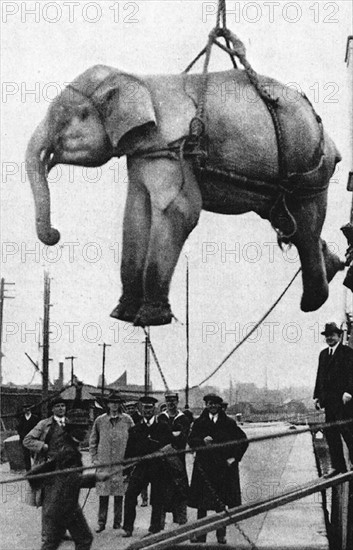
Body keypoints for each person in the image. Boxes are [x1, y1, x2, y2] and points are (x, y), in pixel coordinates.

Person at [27, 408, 109, 550]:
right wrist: (96, 477)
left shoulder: (65, 444)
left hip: (56, 503)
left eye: (85, 428)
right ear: (71, 430)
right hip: (64, 505)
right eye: (80, 428)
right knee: (83, 539)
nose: (84, 432)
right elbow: (71, 480)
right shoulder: (70, 452)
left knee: (52, 544)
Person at [188, 393, 248, 545]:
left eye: (215, 404)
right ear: (206, 405)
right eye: (209, 403)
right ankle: (201, 535)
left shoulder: (228, 423)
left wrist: (234, 458)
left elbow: (243, 441)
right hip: (204, 469)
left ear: (220, 406)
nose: (212, 406)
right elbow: (191, 440)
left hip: (222, 470)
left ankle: (220, 535)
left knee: (220, 505)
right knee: (202, 506)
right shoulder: (199, 423)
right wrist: (202, 441)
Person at [122, 396, 172, 537]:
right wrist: (126, 470)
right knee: (130, 494)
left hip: (158, 468)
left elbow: (170, 445)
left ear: (154, 409)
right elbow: (129, 451)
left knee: (157, 498)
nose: (147, 410)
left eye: (150, 408)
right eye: (144, 408)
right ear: (140, 409)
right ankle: (128, 527)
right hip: (140, 467)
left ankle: (154, 528)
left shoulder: (162, 426)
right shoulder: (135, 429)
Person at [89, 390, 133, 533]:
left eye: (117, 403)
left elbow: (134, 439)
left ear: (120, 405)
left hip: (121, 463)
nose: (114, 405)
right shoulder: (100, 420)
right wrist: (95, 459)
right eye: (112, 403)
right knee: (103, 493)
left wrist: (130, 460)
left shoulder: (127, 420)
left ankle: (117, 522)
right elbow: (93, 441)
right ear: (107, 404)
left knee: (119, 493)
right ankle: (101, 522)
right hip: (104, 463)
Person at [313, 322, 353, 476]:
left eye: (332, 335)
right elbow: (320, 376)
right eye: (327, 335)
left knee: (348, 432)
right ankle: (338, 466)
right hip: (329, 401)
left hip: (343, 401)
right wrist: (317, 396)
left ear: (339, 336)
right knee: (331, 433)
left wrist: (349, 391)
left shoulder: (347, 353)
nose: (329, 338)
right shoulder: (323, 354)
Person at [158, 391, 190, 525]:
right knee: (161, 492)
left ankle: (181, 521)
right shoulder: (161, 418)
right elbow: (159, 438)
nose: (171, 404)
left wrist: (169, 438)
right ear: (165, 402)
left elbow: (183, 439)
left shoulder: (183, 419)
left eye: (173, 401)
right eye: (168, 401)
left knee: (180, 490)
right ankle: (159, 524)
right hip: (163, 462)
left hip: (178, 461)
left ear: (177, 402)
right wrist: (172, 436)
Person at [23, 396, 68, 466]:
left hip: (66, 463)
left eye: (63, 406)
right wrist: (42, 445)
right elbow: (27, 440)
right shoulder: (44, 424)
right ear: (52, 409)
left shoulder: (71, 423)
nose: (61, 408)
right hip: (48, 462)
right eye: (57, 406)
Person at [124, 400, 148, 506]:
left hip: (138, 450)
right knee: (129, 475)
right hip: (129, 450)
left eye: (132, 408)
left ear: (135, 408)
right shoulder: (124, 419)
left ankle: (144, 498)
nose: (130, 410)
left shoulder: (140, 420)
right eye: (128, 408)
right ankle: (132, 496)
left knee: (142, 475)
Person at [17, 404, 40, 471]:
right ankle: (28, 471)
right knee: (26, 456)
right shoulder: (21, 419)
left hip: (33, 439)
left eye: (28, 408)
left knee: (34, 455)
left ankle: (36, 469)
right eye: (25, 408)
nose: (27, 409)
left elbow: (38, 429)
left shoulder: (35, 418)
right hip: (24, 439)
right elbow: (19, 429)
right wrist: (22, 437)